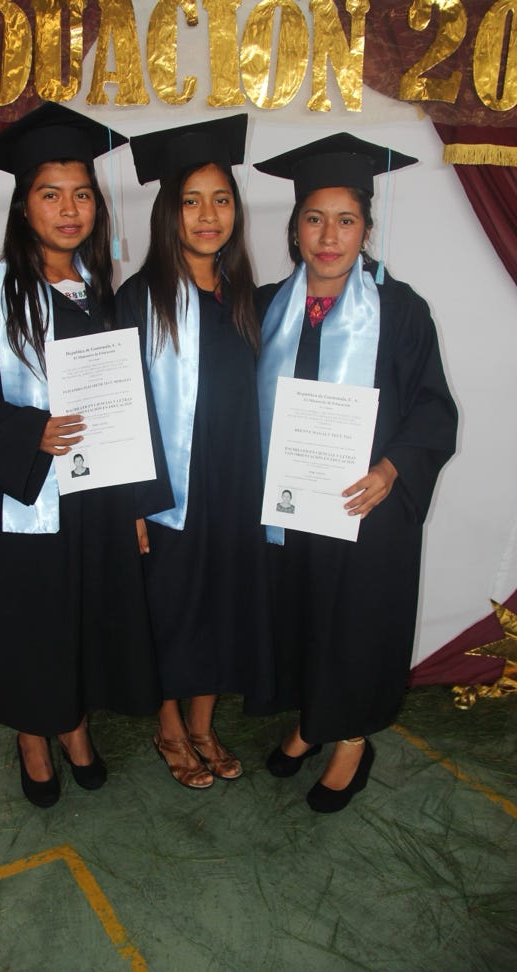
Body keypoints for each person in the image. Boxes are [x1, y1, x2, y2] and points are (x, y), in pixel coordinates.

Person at [0, 103, 161, 808]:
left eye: (82, 194)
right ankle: (34, 735)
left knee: (77, 617)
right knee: (29, 621)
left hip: (92, 498)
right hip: (15, 498)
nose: (69, 209)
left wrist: (137, 503)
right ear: (24, 206)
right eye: (50, 194)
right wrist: (29, 431)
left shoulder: (106, 297)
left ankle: (74, 725)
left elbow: (131, 403)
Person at [254, 133, 457, 812]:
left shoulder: (400, 310)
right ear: (295, 228)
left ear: (367, 229)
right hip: (291, 506)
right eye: (314, 218)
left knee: (356, 622)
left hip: (367, 509)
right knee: (303, 615)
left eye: (346, 220)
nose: (328, 236)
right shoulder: (266, 308)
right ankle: (313, 722)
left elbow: (433, 407)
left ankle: (350, 742)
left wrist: (393, 469)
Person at [116, 115, 273, 789]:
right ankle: (170, 727)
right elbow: (121, 412)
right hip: (167, 490)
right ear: (168, 212)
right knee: (168, 609)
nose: (209, 216)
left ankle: (204, 724)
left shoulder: (249, 299)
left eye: (221, 200)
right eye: (191, 201)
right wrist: (134, 503)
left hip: (235, 484)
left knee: (223, 604)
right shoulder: (137, 300)